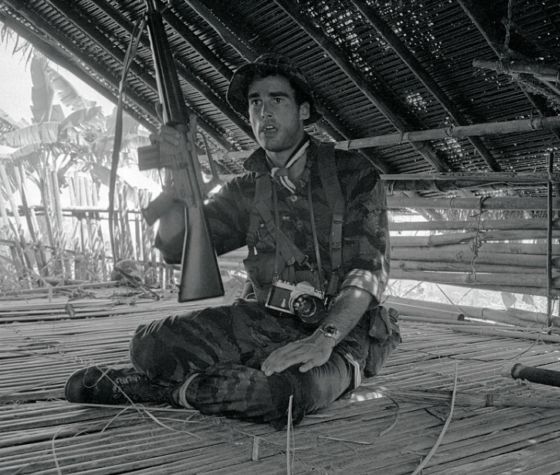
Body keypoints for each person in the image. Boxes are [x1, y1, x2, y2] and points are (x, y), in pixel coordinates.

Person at [64, 53, 394, 428]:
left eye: (277, 100)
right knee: (149, 344)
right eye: (256, 103)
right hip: (263, 320)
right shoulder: (247, 189)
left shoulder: (352, 174)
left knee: (283, 397)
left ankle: (164, 391)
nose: (264, 112)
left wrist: (324, 338)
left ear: (304, 112)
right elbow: (176, 248)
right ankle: (215, 383)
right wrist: (176, 180)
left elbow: (368, 272)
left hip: (342, 333)